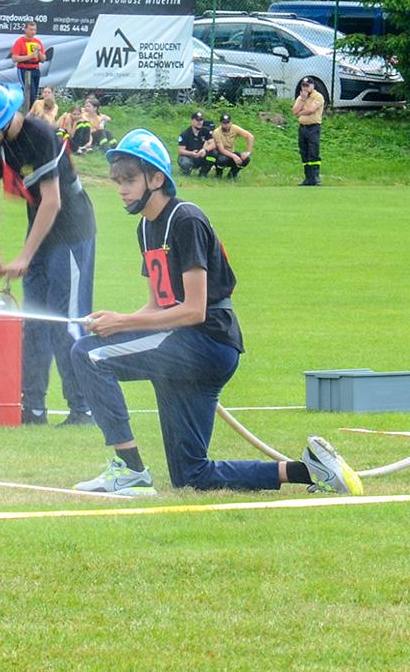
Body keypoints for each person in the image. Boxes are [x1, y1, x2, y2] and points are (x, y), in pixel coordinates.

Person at [67, 129, 363, 496]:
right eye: (118, 182)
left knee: (89, 355)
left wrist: (123, 323)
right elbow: (159, 303)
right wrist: (113, 321)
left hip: (203, 342)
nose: (121, 189)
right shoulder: (146, 227)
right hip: (194, 346)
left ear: (157, 179)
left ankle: (130, 471)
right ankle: (308, 470)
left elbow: (192, 310)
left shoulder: (185, 219)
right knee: (192, 475)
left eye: (129, 180)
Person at [0, 82, 98, 426]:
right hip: (38, 229)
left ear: (6, 121)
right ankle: (33, 407)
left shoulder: (39, 134)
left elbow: (52, 201)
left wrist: (24, 255)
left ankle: (82, 408)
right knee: (35, 322)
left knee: (65, 321)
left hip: (71, 230)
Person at [292, 79, 326, 186]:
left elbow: (311, 110)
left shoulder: (317, 96)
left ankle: (315, 178)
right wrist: (302, 100)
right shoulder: (301, 97)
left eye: (307, 85)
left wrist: (300, 113)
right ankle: (307, 178)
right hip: (302, 128)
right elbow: (294, 111)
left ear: (313, 86)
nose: (305, 88)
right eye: (303, 86)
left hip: (313, 127)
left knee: (313, 151)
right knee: (304, 152)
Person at [207, 112, 254, 179]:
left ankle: (232, 175)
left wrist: (247, 152)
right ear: (221, 123)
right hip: (220, 154)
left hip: (231, 152)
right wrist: (234, 156)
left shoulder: (235, 128)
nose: (226, 125)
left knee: (246, 159)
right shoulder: (216, 132)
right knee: (222, 160)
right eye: (224, 123)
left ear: (231, 122)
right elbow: (221, 149)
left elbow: (250, 136)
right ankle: (218, 173)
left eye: (228, 122)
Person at [11, 21, 45, 110]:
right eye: (31, 29)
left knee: (34, 95)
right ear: (25, 29)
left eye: (34, 30)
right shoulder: (20, 41)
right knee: (29, 94)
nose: (33, 32)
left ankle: (32, 113)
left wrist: (39, 52)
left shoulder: (37, 42)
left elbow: (43, 59)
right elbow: (14, 58)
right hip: (24, 69)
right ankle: (27, 112)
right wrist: (29, 56)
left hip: (35, 69)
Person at [176, 110, 213, 177]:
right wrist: (191, 153)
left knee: (214, 153)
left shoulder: (206, 131)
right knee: (185, 162)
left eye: (201, 120)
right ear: (192, 121)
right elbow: (181, 151)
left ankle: (203, 173)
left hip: (201, 155)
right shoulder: (185, 134)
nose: (200, 122)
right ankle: (185, 172)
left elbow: (213, 143)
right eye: (197, 120)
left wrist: (205, 150)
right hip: (188, 156)